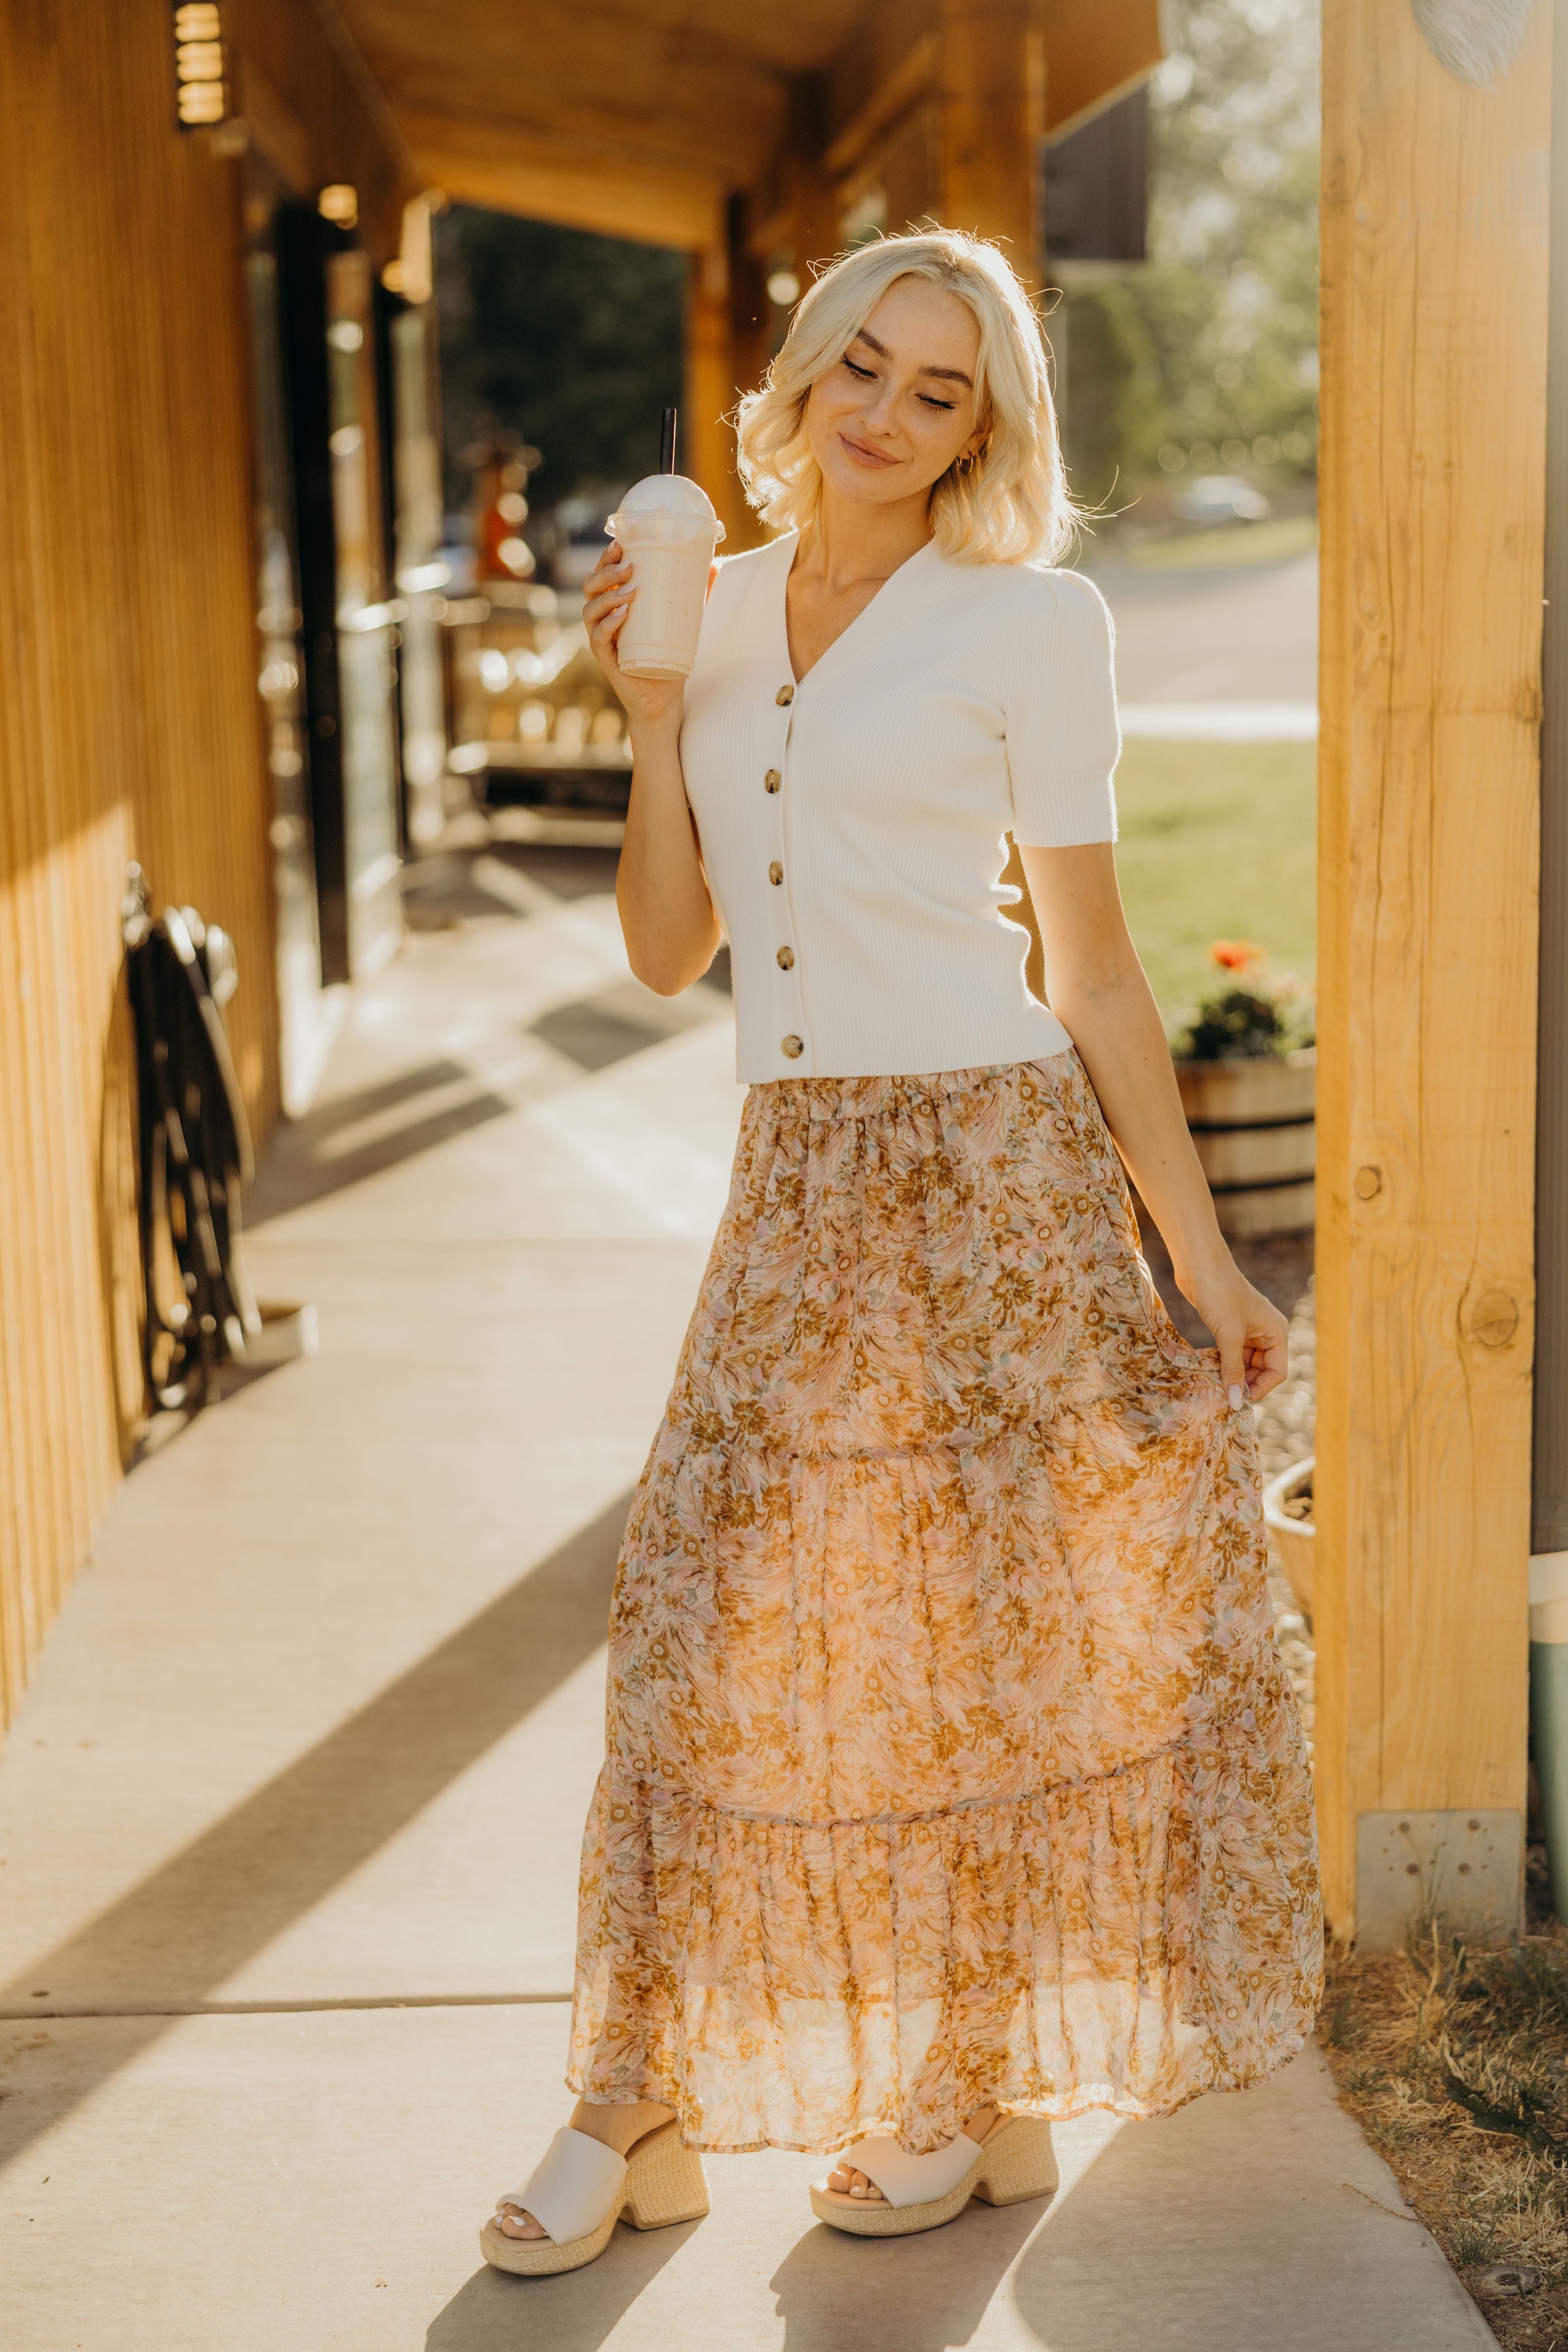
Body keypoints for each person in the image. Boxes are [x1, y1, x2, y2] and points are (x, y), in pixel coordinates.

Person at [480, 227, 1322, 2274]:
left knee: (987, 1656)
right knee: (696, 1623)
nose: (882, 413)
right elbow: (676, 949)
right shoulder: (716, 606)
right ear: (806, 370)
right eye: (862, 365)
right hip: (798, 1175)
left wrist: (1198, 1258)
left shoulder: (1031, 626)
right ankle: (638, 2098)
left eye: (936, 390)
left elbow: (1100, 972)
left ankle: (967, 2087)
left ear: (981, 427)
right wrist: (651, 707)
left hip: (1001, 1172)